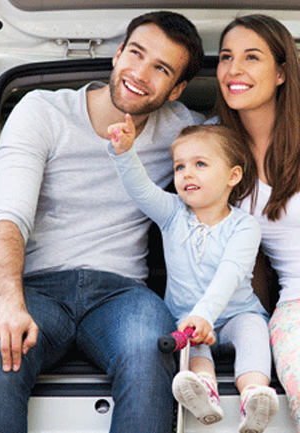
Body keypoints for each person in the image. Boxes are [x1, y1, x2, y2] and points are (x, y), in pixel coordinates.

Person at [0, 11, 205, 433]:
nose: (140, 73)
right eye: (136, 54)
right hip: (36, 290)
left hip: (123, 295)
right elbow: (8, 218)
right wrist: (8, 302)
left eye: (161, 69)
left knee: (152, 351)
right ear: (116, 55)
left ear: (176, 90)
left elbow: (243, 148)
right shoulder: (42, 111)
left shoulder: (181, 129)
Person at [108, 120, 279, 432]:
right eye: (179, 166)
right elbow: (141, 189)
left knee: (254, 330)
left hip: (237, 313)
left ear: (233, 176)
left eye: (200, 164)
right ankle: (204, 391)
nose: (187, 173)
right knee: (193, 346)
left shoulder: (244, 226)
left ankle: (253, 395)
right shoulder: (173, 214)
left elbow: (231, 272)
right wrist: (124, 152)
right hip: (188, 319)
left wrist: (205, 315)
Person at [214, 13, 300, 432]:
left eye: (252, 57)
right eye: (226, 57)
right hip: (295, 307)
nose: (234, 70)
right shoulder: (211, 148)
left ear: (282, 72)